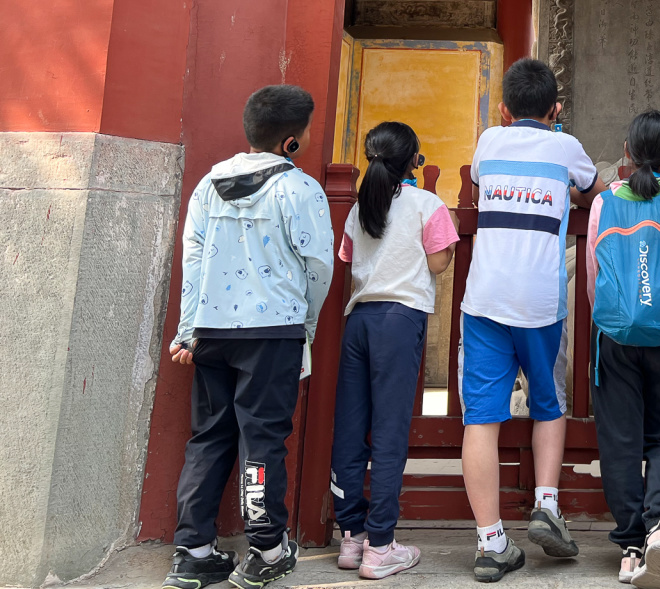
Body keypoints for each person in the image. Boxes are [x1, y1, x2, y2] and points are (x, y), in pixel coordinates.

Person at [164, 85, 335, 589]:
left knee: (209, 436)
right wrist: (306, 323)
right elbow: (318, 267)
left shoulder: (208, 184)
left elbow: (193, 258)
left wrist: (188, 330)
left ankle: (193, 551)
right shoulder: (300, 189)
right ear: (291, 142)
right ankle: (266, 548)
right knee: (262, 439)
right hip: (272, 331)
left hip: (211, 330)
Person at [459, 58, 605, 582]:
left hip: (484, 300)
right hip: (540, 301)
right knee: (548, 403)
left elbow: (480, 180)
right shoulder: (566, 148)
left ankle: (491, 542)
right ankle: (546, 504)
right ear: (556, 110)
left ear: (503, 109)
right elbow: (592, 189)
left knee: (481, 419)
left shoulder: (488, 143)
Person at [330, 122, 459, 579]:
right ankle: (382, 545)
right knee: (389, 432)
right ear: (413, 162)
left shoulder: (360, 207)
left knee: (351, 428)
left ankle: (352, 536)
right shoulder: (426, 204)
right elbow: (439, 262)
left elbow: (348, 260)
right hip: (400, 322)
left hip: (359, 320)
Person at [584, 111, 660, 589]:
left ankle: (632, 546)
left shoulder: (604, 203)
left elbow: (594, 277)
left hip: (617, 337)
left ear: (626, 153)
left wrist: (615, 316)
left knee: (620, 441)